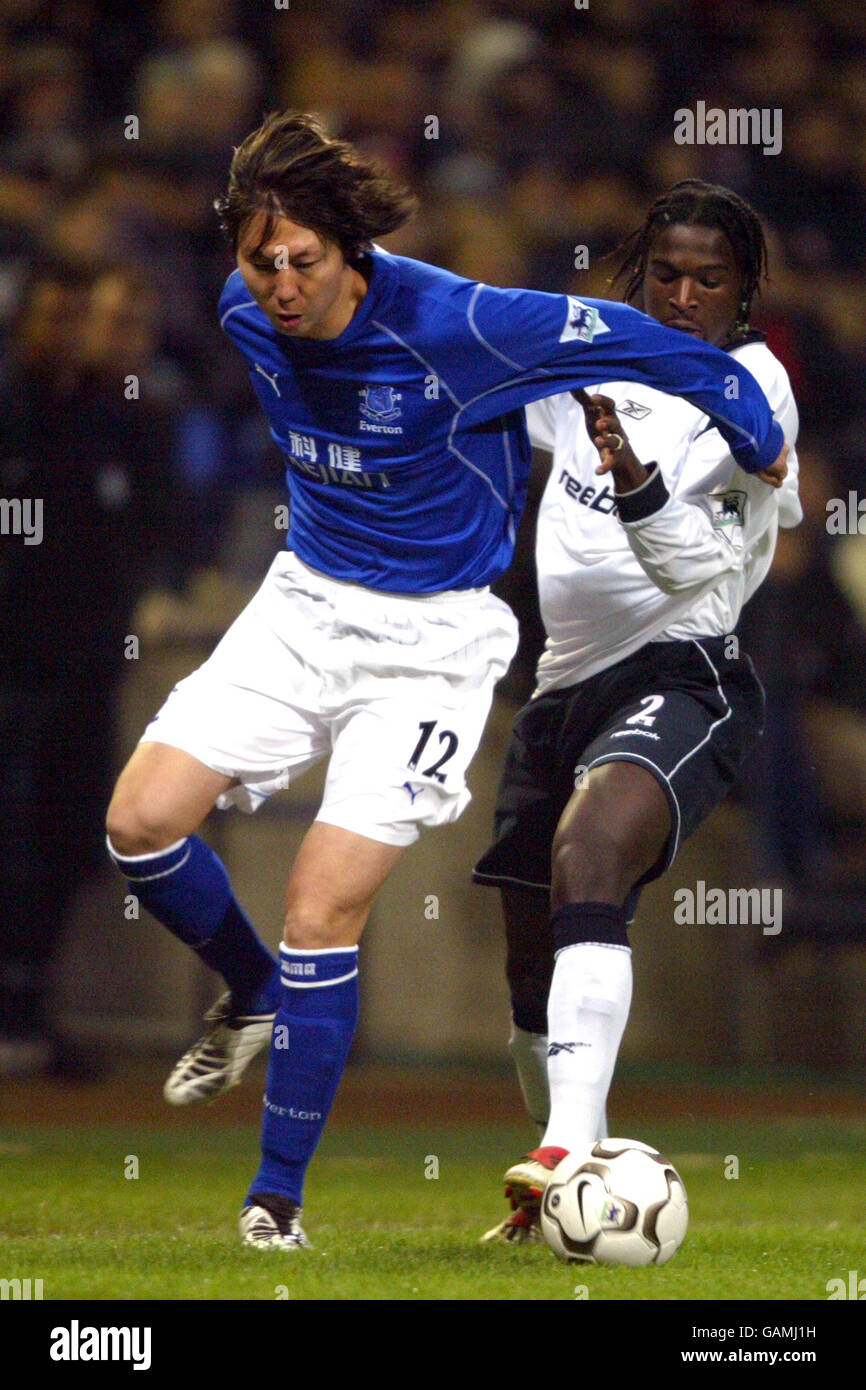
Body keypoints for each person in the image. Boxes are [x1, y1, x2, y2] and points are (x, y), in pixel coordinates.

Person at [103, 119, 787, 1251]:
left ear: (351, 253)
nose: (277, 284)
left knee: (324, 903)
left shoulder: (459, 322)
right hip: (302, 604)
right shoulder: (236, 311)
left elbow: (626, 333)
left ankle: (273, 1205)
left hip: (431, 644)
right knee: (138, 823)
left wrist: (749, 420)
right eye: (259, 259)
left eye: (302, 261)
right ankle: (253, 989)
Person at [473, 179, 801, 1244]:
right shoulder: (586, 357)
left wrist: (635, 481)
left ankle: (567, 1145)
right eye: (664, 273)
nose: (683, 294)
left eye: (709, 278)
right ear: (635, 275)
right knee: (531, 958)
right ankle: (561, 1181)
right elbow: (476, 400)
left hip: (683, 668)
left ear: (743, 292)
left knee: (589, 856)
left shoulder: (750, 387)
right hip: (559, 683)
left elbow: (692, 564)